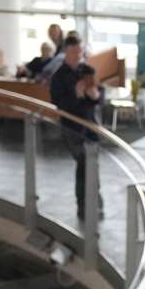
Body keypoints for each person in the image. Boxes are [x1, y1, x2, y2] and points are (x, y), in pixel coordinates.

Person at [50, 38, 101, 221]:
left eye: (80, 52)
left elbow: (97, 95)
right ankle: (83, 204)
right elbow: (59, 104)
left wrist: (94, 96)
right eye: (74, 53)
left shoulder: (86, 71)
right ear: (66, 52)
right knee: (84, 163)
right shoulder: (58, 77)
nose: (78, 56)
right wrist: (78, 95)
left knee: (92, 164)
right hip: (72, 128)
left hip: (90, 125)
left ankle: (95, 200)